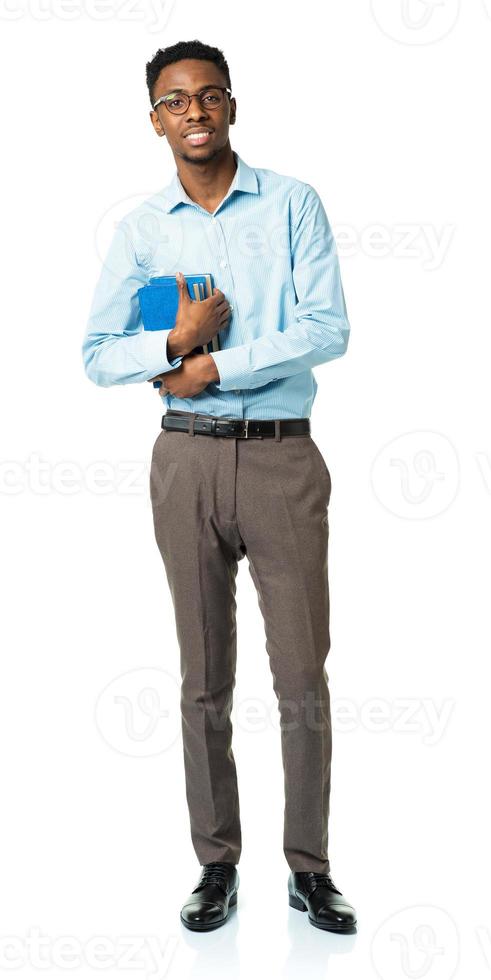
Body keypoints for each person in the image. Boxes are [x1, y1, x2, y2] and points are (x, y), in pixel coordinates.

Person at [82, 38, 356, 935]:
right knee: (204, 678)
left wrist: (216, 364)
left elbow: (326, 329)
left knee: (300, 674)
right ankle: (215, 864)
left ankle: (308, 869)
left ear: (232, 105)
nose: (193, 111)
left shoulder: (292, 204)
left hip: (281, 459)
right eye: (174, 100)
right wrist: (171, 345)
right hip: (185, 462)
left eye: (208, 95)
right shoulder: (141, 228)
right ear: (154, 119)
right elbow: (95, 356)